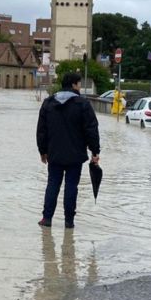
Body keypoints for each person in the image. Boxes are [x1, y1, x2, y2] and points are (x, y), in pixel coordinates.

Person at [35, 72, 101, 229]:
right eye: (79, 84)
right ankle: (69, 221)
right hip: (76, 155)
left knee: (53, 184)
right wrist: (95, 151)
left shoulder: (48, 103)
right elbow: (91, 129)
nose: (79, 87)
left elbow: (41, 130)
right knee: (71, 186)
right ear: (73, 85)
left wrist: (42, 151)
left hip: (54, 154)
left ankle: (47, 218)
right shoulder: (83, 104)